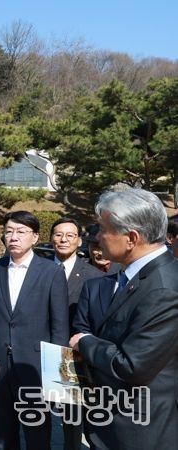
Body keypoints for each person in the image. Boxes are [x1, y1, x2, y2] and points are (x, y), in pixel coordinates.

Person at [70, 189, 178, 450]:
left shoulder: (163, 288)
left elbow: (133, 365)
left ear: (131, 238)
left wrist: (85, 342)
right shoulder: (138, 277)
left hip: (141, 431)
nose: (97, 237)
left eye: (102, 229)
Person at [0, 210, 69, 450]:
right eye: (9, 232)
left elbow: (59, 325)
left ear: (35, 237)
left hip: (34, 364)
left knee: (37, 431)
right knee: (3, 431)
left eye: (20, 231)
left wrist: (58, 371)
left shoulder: (51, 271)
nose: (14, 237)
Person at [49, 218, 103, 450]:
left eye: (70, 235)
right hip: (41, 349)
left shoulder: (93, 276)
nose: (63, 240)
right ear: (51, 238)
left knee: (74, 417)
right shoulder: (38, 269)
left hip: (74, 354)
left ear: (79, 241)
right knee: (35, 414)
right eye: (58, 234)